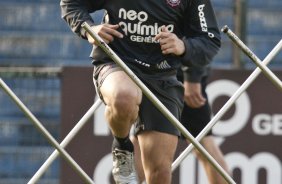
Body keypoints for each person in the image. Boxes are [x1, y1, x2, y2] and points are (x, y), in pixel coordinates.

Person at [60, 0, 221, 183]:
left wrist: (184, 46)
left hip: (162, 76)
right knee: (124, 96)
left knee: (159, 172)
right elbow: (71, 3)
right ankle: (122, 147)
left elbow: (210, 39)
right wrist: (88, 28)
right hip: (116, 62)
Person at [131, 65, 230, 184]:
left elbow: (201, 46)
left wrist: (192, 76)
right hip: (154, 73)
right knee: (138, 142)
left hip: (180, 74)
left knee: (204, 146)